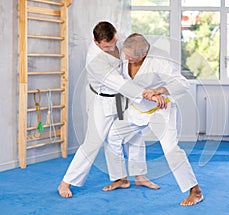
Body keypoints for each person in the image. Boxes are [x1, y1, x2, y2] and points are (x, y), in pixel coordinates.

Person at [58, 22, 161, 198]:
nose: (113, 47)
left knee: (133, 134)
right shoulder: (94, 60)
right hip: (102, 100)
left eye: (114, 42)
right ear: (96, 42)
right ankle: (65, 182)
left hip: (122, 99)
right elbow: (119, 83)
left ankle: (137, 177)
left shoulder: (116, 40)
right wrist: (147, 95)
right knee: (93, 142)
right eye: (108, 46)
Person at [103, 33, 204, 206]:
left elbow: (182, 83)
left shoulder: (159, 62)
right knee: (113, 135)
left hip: (161, 111)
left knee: (170, 149)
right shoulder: (126, 56)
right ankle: (121, 178)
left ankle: (195, 191)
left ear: (143, 54)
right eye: (125, 54)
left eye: (130, 56)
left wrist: (160, 90)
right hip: (137, 109)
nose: (126, 58)